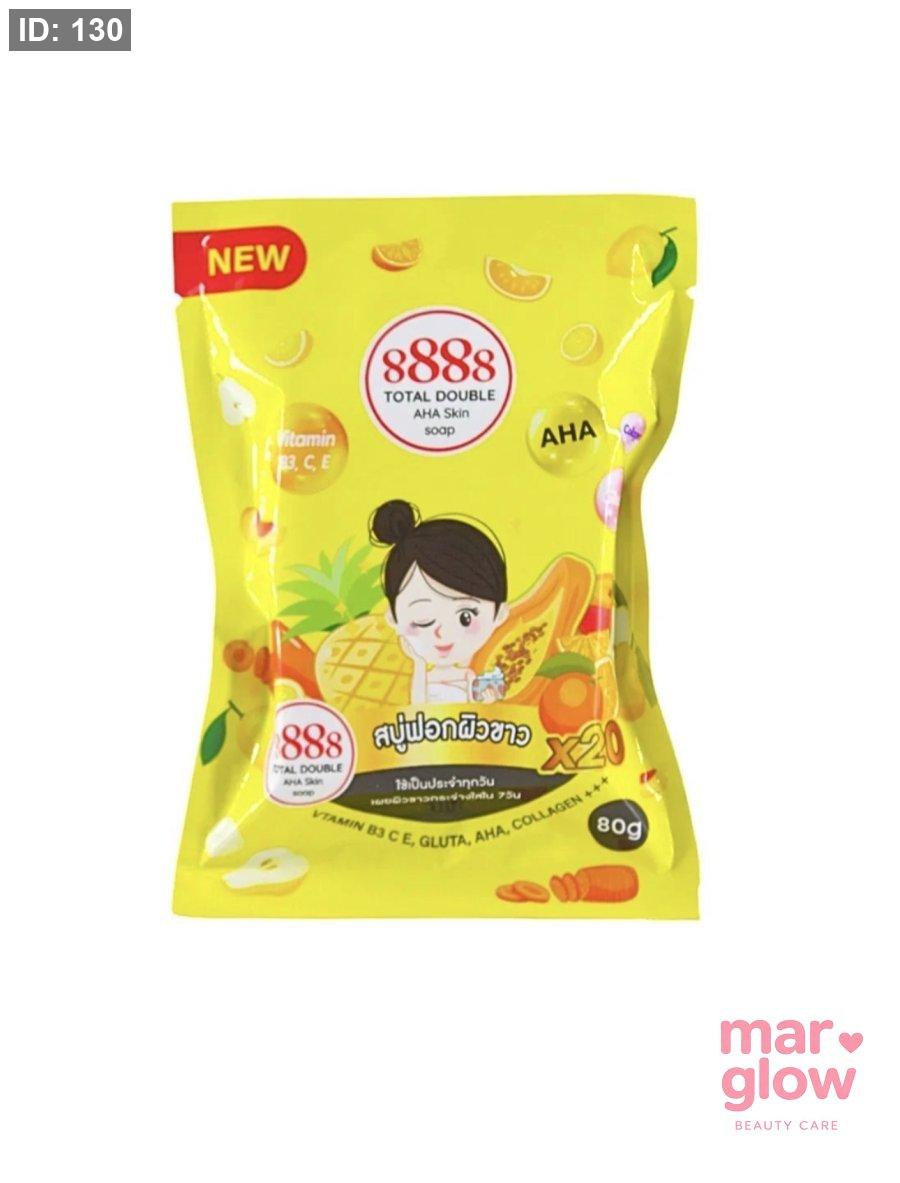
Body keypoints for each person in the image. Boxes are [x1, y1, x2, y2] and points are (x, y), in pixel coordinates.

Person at [370, 499, 509, 705]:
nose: (442, 633)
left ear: (500, 614)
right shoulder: (424, 677)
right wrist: (418, 664)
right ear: (393, 619)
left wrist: (488, 700)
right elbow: (417, 705)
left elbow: (477, 709)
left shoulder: (468, 676)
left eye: (465, 618)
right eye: (423, 620)